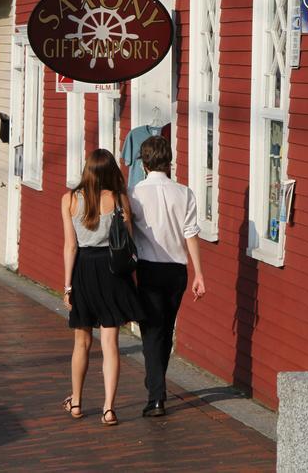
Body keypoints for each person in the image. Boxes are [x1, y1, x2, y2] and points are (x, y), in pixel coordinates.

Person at [61, 149, 144, 426]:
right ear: (110, 172)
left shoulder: (70, 199)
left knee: (81, 341)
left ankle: (76, 401)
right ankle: (108, 408)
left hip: (83, 269)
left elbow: (70, 246)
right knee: (110, 343)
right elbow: (129, 240)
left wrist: (68, 286)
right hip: (111, 271)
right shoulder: (119, 200)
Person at [129, 135, 206, 418]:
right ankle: (156, 384)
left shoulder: (134, 193)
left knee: (151, 331)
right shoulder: (185, 193)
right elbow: (191, 234)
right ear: (168, 160)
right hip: (177, 270)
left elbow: (127, 232)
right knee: (167, 329)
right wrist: (199, 273)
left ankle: (156, 396)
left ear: (144, 162)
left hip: (148, 268)